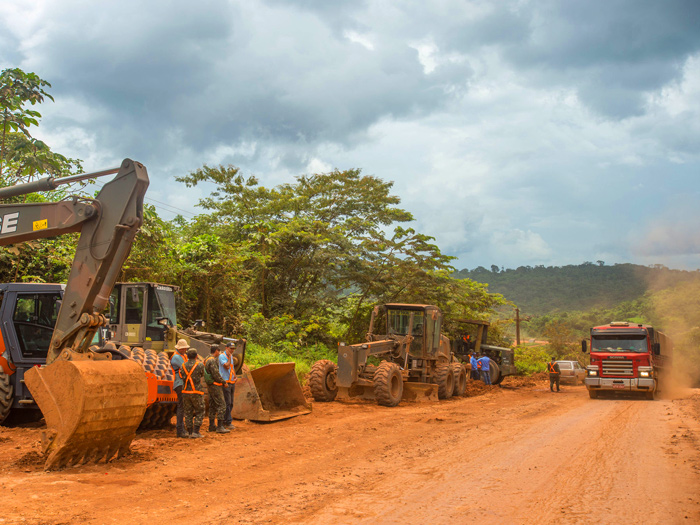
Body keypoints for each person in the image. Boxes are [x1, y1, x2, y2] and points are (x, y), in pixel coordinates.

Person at [180, 348, 206, 438]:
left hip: (185, 391)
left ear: (187, 356)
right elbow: (202, 374)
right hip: (196, 391)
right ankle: (196, 431)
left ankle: (190, 432)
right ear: (196, 356)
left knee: (188, 412)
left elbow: (181, 375)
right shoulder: (199, 365)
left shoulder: (182, 365)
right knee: (200, 410)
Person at [204, 345, 229, 434]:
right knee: (222, 404)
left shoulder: (206, 358)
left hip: (210, 385)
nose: (219, 353)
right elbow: (215, 374)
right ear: (216, 351)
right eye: (219, 351)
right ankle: (220, 426)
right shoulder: (212, 360)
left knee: (212, 405)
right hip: (215, 385)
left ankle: (211, 425)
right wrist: (223, 382)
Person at [170, 339, 189, 438]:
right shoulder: (176, 357)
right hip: (179, 383)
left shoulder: (182, 356)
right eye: (184, 348)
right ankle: (180, 430)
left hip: (182, 383)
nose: (185, 349)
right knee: (181, 407)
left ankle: (182, 429)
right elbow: (186, 367)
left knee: (183, 407)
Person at [219, 341, 238, 429]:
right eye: (231, 349)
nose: (232, 350)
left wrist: (234, 376)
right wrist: (230, 357)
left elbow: (231, 367)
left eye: (233, 349)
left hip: (231, 381)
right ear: (226, 348)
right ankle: (227, 421)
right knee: (227, 402)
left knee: (231, 403)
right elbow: (226, 366)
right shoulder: (222, 356)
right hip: (225, 382)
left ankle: (227, 419)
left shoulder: (231, 356)